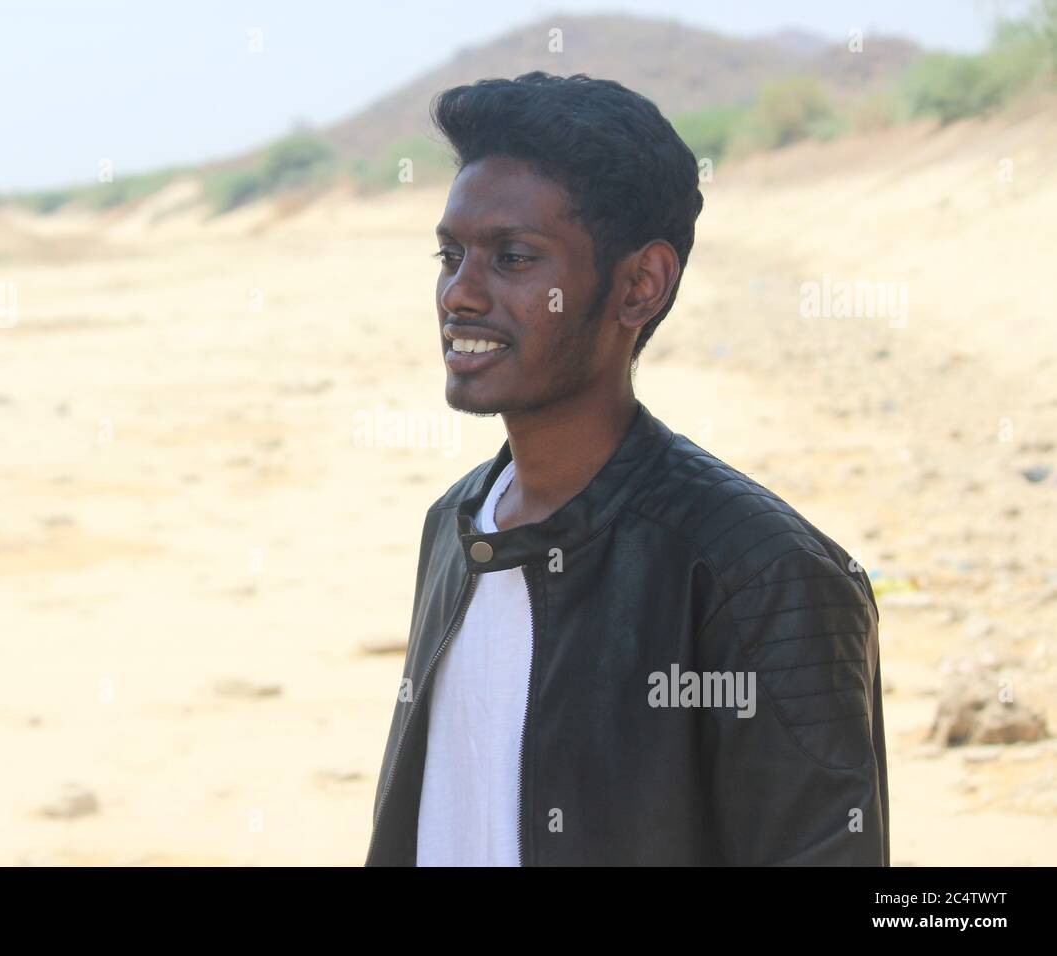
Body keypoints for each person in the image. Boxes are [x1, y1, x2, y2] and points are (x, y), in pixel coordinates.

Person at [365, 72, 889, 866]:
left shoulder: (763, 575)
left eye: (511, 258)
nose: (459, 295)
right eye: (450, 254)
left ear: (640, 285)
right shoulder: (456, 526)